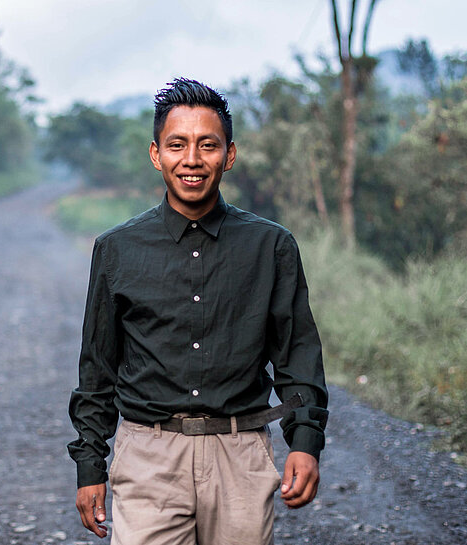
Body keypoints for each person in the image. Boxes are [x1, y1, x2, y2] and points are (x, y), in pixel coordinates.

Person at [68, 77, 328, 545]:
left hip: (241, 454)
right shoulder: (117, 249)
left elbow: (297, 354)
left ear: (228, 155)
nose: (192, 159)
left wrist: (305, 441)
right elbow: (97, 369)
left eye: (207, 145)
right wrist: (91, 464)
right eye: (177, 144)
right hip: (148, 454)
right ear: (156, 154)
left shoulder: (270, 246)